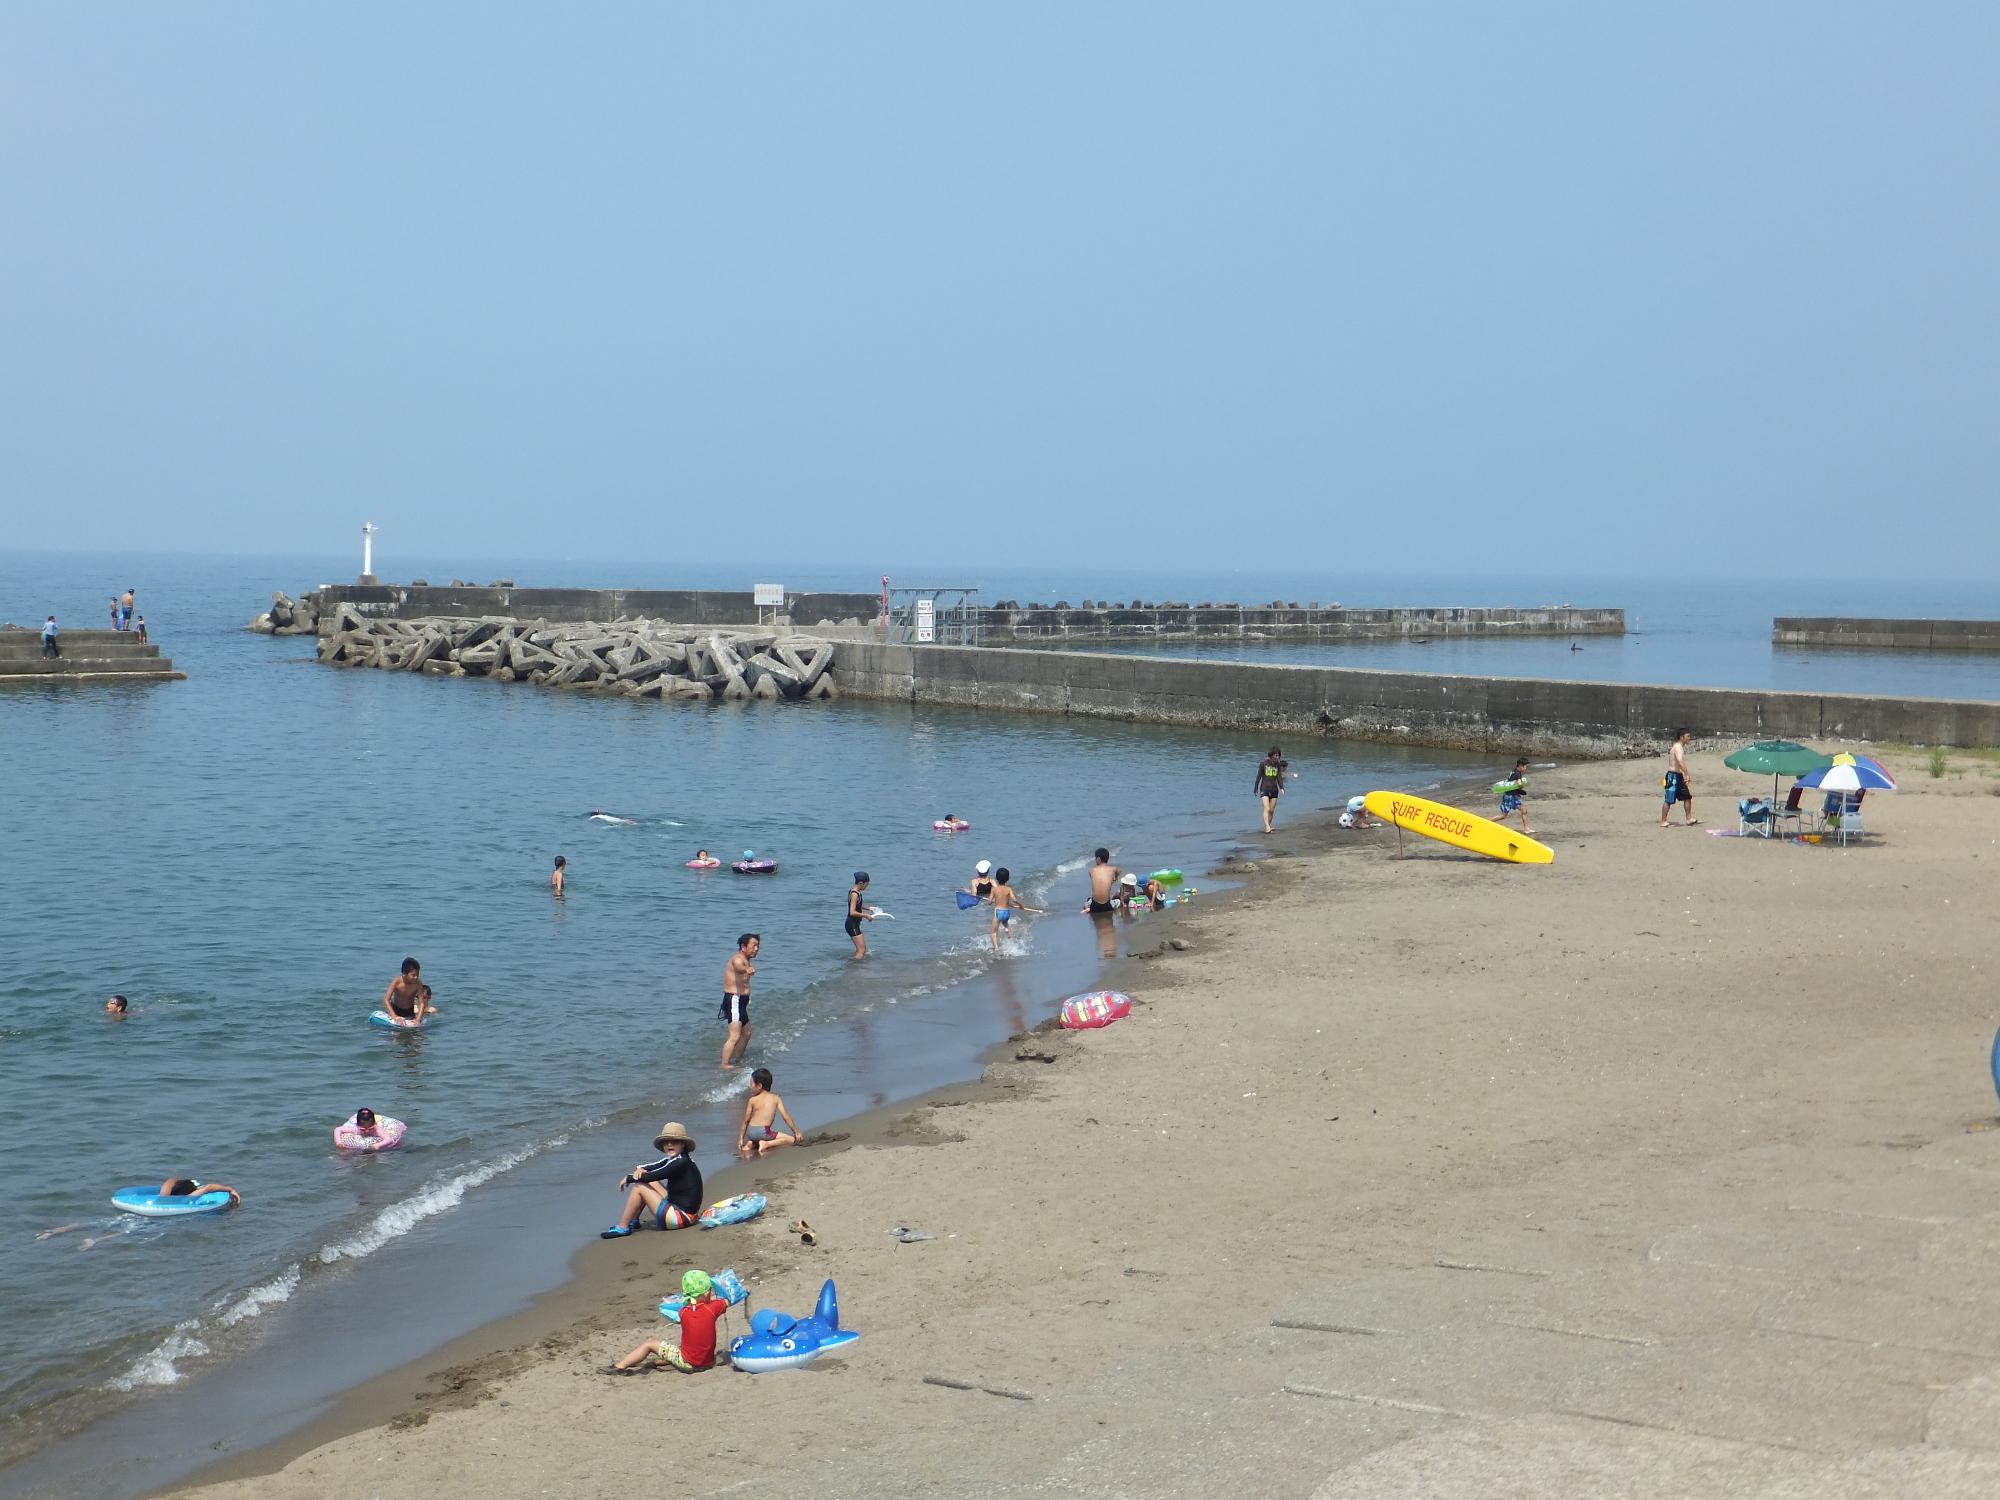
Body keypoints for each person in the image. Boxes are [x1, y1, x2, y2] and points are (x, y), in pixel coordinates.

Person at [606, 1269, 728, 1373]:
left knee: (650, 1343)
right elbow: (726, 1300)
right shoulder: (713, 1308)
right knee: (684, 1347)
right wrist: (745, 1290)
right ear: (707, 1293)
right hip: (708, 1363)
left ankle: (620, 1366)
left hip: (688, 1363)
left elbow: (693, 1308)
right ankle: (658, 1362)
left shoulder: (683, 1312)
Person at [601, 1122, 703, 1236]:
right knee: (646, 1181)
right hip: (684, 1212)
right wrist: (640, 1169)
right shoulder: (677, 1159)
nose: (669, 1144)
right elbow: (652, 1166)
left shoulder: (680, 1162)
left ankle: (623, 1227)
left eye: (674, 1141)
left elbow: (657, 1174)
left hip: (682, 1218)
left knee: (639, 1187)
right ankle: (634, 1220)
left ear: (683, 1144)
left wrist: (629, 1178)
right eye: (666, 1141)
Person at [738, 1067, 803, 1156]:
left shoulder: (752, 1100)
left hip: (750, 1132)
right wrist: (796, 1132)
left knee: (758, 1137)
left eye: (751, 1084)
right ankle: (766, 1144)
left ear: (759, 1086)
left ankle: (751, 1143)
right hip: (763, 1131)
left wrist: (741, 1138)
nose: (750, 1086)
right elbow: (785, 1117)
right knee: (791, 1139)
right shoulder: (776, 1098)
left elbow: (746, 1121)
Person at [720, 934, 758, 1068]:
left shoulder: (746, 959)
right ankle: (724, 1065)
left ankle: (738, 1060)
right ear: (743, 946)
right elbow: (738, 967)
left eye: (757, 946)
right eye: (753, 945)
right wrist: (746, 969)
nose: (756, 949)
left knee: (747, 1033)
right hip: (734, 1000)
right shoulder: (738, 959)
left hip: (741, 1001)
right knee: (734, 1036)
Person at [988, 868, 1040, 952]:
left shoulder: (994, 889)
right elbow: (1014, 900)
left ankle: (996, 949)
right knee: (1005, 922)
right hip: (1006, 912)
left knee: (994, 932)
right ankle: (1007, 930)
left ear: (996, 879)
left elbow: (989, 902)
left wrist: (992, 901)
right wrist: (1021, 905)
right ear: (1007, 879)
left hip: (998, 912)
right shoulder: (1009, 889)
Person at [1660, 729, 1698, 828]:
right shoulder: (1678, 747)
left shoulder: (1680, 747)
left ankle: (1689, 819)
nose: (1689, 738)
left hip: (1678, 776)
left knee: (1687, 797)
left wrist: (1684, 775)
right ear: (1682, 737)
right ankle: (1664, 821)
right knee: (1669, 799)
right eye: (1688, 736)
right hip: (1672, 777)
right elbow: (1680, 761)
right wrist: (1687, 774)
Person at [382, 958, 429, 1025]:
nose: (416, 977)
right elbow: (386, 999)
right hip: (395, 1010)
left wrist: (418, 1019)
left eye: (417, 975)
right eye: (413, 975)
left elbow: (421, 1003)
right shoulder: (397, 982)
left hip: (409, 1011)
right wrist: (394, 1017)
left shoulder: (418, 983)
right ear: (404, 973)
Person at [1256, 747, 1291, 833]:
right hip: (1264, 788)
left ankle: (1268, 826)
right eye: (1276, 755)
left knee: (1271, 810)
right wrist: (1255, 788)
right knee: (1266, 808)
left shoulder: (1278, 765)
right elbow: (1258, 776)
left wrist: (1282, 788)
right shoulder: (1263, 763)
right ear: (1271, 755)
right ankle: (1267, 827)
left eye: (1279, 755)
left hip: (1274, 790)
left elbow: (1279, 777)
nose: (1278, 757)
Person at [1496, 758, 1535, 835]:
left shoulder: (1514, 771)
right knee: (1504, 815)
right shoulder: (1518, 774)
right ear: (1520, 766)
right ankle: (1486, 822)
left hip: (1510, 795)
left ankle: (1526, 829)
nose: (1526, 768)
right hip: (1509, 797)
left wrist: (1517, 792)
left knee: (1523, 810)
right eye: (1525, 766)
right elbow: (1519, 784)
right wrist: (1521, 789)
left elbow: (1510, 782)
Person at [845, 872, 874, 958]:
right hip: (852, 924)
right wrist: (866, 916)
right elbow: (852, 912)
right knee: (862, 950)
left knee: (861, 949)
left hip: (854, 924)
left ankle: (855, 966)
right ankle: (855, 967)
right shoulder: (854, 894)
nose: (867, 887)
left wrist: (869, 908)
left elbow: (858, 905)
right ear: (861, 883)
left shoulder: (855, 891)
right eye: (866, 885)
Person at [1085, 848, 1120, 915]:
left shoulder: (1091, 870)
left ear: (1098, 859)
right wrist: (1114, 879)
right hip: (1107, 906)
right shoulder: (1114, 869)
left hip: (1095, 907)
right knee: (1118, 901)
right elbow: (1118, 872)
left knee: (1089, 900)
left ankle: (1087, 909)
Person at [159, 1179, 241, 1205]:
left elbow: (171, 1180)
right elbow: (208, 1188)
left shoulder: (164, 1194)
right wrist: (230, 1189)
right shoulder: (188, 1197)